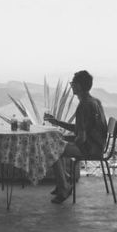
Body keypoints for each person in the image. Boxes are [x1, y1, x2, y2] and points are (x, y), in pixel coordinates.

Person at [44, 70, 108, 204]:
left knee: (53, 150)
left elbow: (81, 138)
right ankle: (65, 179)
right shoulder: (94, 101)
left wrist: (66, 143)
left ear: (79, 86)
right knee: (58, 146)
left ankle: (64, 187)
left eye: (73, 83)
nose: (71, 85)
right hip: (97, 145)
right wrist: (58, 123)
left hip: (90, 148)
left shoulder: (84, 105)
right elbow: (81, 129)